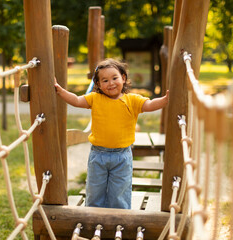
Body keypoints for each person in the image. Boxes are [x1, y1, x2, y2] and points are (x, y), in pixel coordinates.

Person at [55, 58, 169, 209]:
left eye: (114, 78)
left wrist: (165, 100)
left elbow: (149, 105)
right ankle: (93, 215)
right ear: (98, 85)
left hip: (122, 156)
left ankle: (119, 219)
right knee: (95, 189)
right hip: (98, 155)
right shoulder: (95, 99)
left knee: (120, 191)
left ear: (123, 78)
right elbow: (76, 100)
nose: (111, 83)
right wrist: (60, 91)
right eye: (105, 80)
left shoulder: (132, 100)